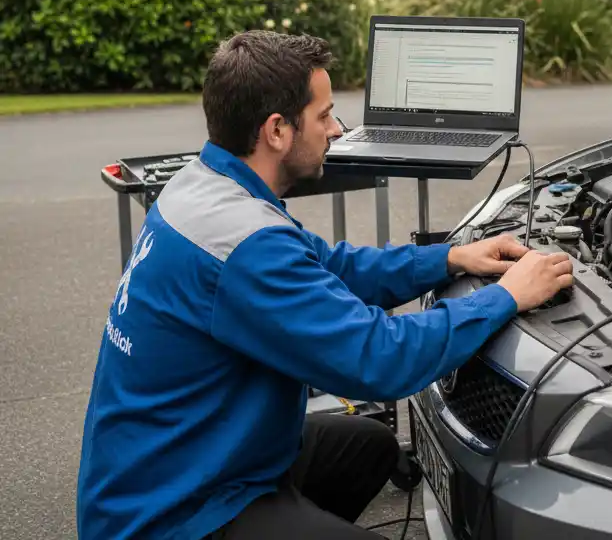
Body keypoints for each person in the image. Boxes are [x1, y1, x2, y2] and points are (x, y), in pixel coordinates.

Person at [77, 30, 573, 540]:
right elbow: (381, 358)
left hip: (182, 456)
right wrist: (507, 295)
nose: (337, 129)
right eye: (324, 115)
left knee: (369, 447)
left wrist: (449, 257)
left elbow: (327, 265)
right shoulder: (244, 244)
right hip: (172, 512)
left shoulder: (202, 185)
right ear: (276, 130)